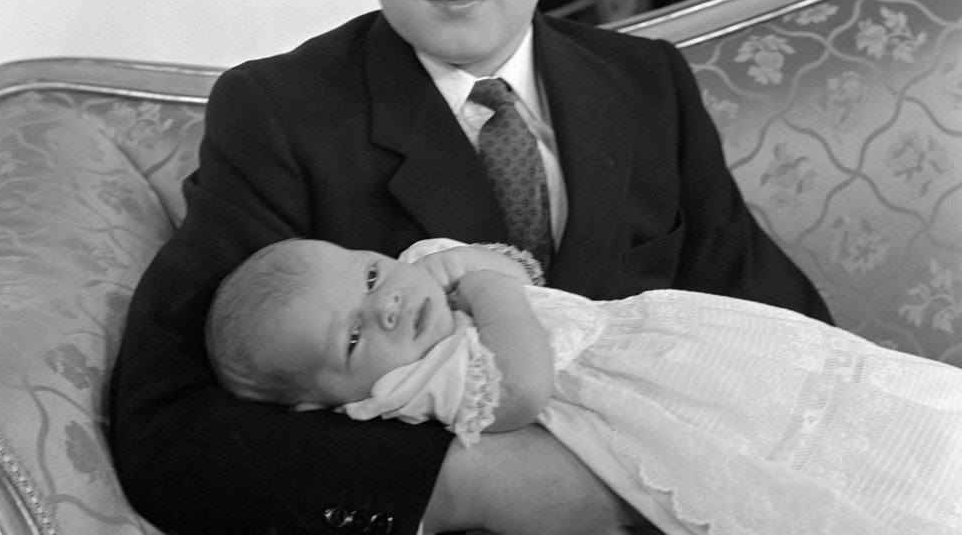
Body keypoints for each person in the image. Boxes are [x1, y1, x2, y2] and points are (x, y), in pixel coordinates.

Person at [108, 0, 832, 535]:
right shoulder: (280, 115)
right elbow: (166, 429)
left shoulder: (647, 86)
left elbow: (789, 333)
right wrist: (478, 484)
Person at [208, 237, 962, 535]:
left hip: (680, 353)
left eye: (370, 273)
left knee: (861, 403)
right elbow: (524, 389)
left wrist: (472, 267)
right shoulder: (411, 387)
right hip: (648, 417)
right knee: (789, 476)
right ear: (331, 402)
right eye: (351, 337)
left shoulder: (423, 275)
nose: (386, 302)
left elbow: (521, 267)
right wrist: (480, 285)